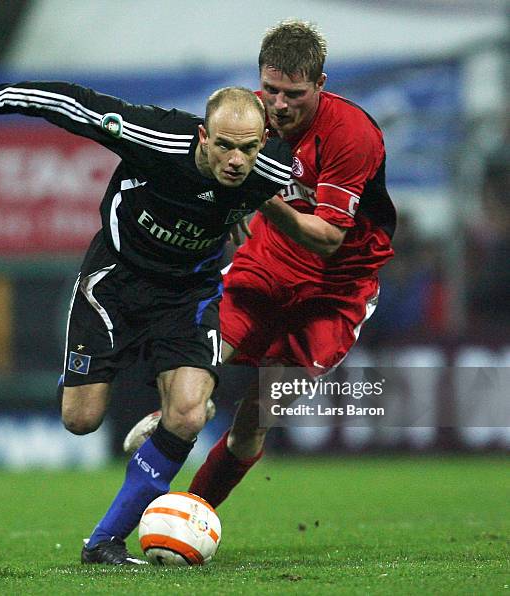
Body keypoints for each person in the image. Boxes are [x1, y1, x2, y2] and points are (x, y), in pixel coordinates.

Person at [0, 76, 293, 564]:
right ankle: (129, 393)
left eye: (247, 149)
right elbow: (75, 104)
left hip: (188, 296)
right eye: (223, 146)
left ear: (261, 143)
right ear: (202, 135)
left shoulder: (272, 169)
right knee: (80, 418)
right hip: (115, 284)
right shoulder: (157, 137)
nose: (235, 160)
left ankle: (105, 541)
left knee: (188, 414)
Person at [125, 19, 396, 507]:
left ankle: (193, 510)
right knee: (199, 355)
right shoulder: (247, 117)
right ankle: (179, 434)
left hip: (336, 291)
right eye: (270, 89)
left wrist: (256, 196)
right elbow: (202, 165)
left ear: (320, 85)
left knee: (254, 420)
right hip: (266, 261)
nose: (279, 105)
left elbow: (330, 239)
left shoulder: (351, 134)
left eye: (294, 93)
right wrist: (224, 203)